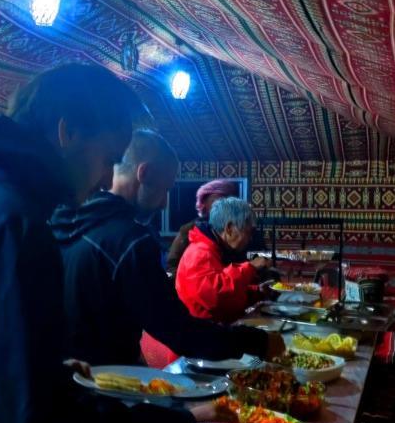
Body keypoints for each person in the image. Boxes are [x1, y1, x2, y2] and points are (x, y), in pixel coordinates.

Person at [0, 64, 198, 423]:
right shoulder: (11, 219)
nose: (108, 180)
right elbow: (37, 420)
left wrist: (45, 365)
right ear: (67, 132)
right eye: (108, 158)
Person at [51, 129, 284, 366]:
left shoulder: (61, 222)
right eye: (164, 190)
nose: (164, 204)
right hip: (108, 387)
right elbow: (178, 330)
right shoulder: (130, 242)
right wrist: (255, 342)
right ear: (145, 173)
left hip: (65, 381)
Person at [176, 197, 270, 323]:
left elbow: (226, 293)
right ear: (229, 228)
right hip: (202, 333)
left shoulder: (214, 248)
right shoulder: (200, 253)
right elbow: (215, 296)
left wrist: (257, 292)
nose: (250, 239)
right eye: (247, 232)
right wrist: (250, 267)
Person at [166, 179, 239, 276]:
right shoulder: (189, 229)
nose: (224, 206)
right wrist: (191, 283)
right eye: (218, 202)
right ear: (203, 204)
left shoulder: (240, 229)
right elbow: (172, 266)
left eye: (229, 202)